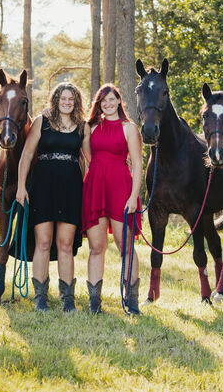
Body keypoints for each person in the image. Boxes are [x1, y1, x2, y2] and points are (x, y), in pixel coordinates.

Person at [16, 82, 87, 312]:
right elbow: (26, 155)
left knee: (65, 244)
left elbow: (90, 160)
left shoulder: (82, 126)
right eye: (63, 98)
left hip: (71, 189)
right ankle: (40, 298)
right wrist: (20, 187)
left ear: (76, 102)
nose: (67, 102)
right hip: (43, 187)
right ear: (55, 100)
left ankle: (68, 299)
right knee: (43, 242)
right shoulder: (42, 121)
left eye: (71, 99)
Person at [81, 83, 143, 314]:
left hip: (121, 191)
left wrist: (133, 197)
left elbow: (137, 164)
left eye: (112, 99)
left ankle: (132, 302)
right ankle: (94, 304)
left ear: (119, 101)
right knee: (97, 247)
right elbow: (89, 158)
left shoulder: (129, 128)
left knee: (125, 246)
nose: (107, 104)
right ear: (99, 104)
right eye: (103, 101)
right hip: (96, 189)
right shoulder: (91, 128)